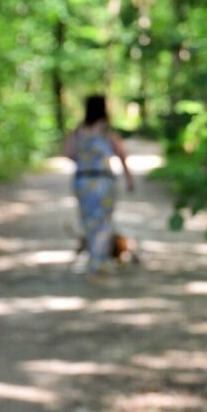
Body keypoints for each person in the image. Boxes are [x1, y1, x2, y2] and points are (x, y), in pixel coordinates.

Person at [63, 95, 134, 278]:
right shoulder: (107, 132)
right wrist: (128, 179)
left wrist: (85, 159)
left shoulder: (77, 132)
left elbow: (68, 154)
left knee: (89, 221)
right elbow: (121, 155)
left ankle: (96, 259)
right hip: (104, 181)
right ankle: (98, 261)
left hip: (83, 181)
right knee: (104, 222)